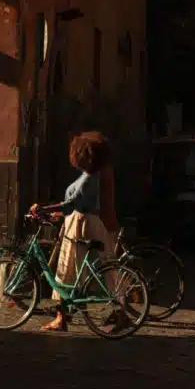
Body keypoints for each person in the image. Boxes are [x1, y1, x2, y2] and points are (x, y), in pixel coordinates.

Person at [29, 131, 118, 333]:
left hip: (80, 224)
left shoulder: (88, 179)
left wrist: (44, 209)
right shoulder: (92, 176)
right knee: (103, 266)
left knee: (66, 270)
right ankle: (114, 310)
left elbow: (71, 204)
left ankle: (61, 318)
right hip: (88, 222)